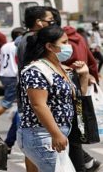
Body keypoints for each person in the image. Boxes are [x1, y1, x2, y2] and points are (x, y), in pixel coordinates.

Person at [17, 25, 88, 172]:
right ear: (49, 46)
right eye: (64, 42)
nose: (69, 46)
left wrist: (84, 75)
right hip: (41, 135)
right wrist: (55, 134)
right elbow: (38, 105)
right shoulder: (36, 70)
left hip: (58, 134)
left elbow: (76, 100)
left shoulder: (60, 69)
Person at [15, 6, 55, 172]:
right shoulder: (33, 40)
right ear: (39, 22)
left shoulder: (25, 38)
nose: (52, 24)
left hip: (28, 96)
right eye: (50, 21)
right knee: (36, 141)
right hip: (34, 97)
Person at [63, 26, 102, 172]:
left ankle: (84, 165)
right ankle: (87, 163)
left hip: (73, 89)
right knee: (76, 136)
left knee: (74, 137)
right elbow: (91, 62)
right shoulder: (80, 39)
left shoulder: (63, 44)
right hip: (79, 90)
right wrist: (93, 76)